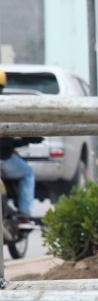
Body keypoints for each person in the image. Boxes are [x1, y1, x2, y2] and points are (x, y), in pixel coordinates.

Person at [0, 70, 38, 223]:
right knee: (28, 173)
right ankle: (24, 213)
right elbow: (7, 143)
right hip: (4, 159)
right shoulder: (7, 106)